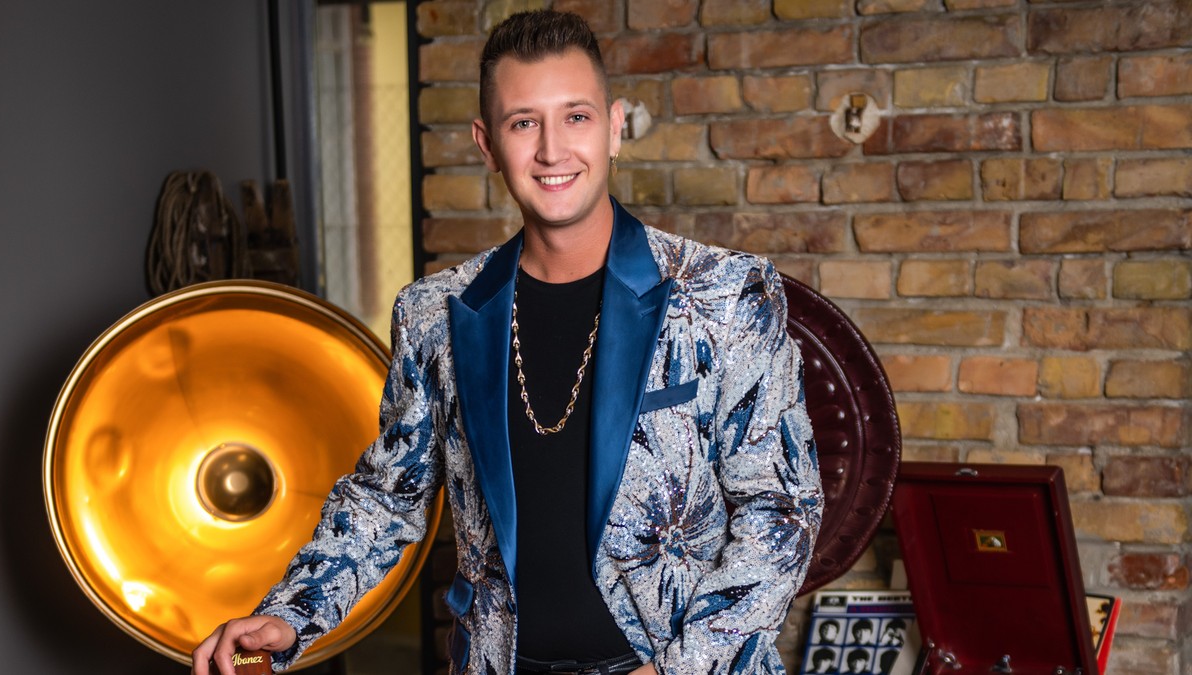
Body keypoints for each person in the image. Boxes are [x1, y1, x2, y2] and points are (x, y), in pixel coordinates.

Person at [192, 9, 821, 675]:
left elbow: (783, 508)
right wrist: (292, 613)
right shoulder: (434, 312)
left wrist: (678, 670)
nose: (552, 150)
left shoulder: (724, 293)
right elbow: (389, 495)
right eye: (524, 123)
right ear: (487, 143)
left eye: (576, 116)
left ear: (614, 128)